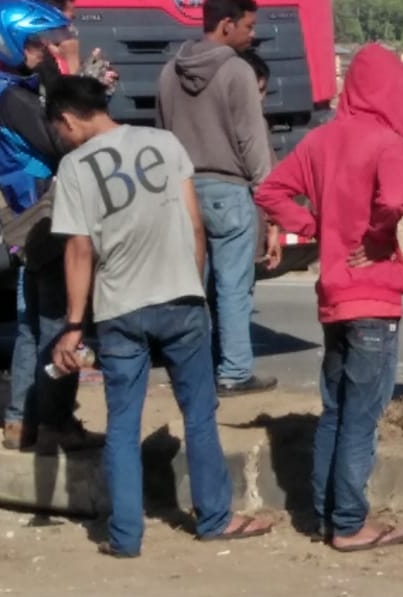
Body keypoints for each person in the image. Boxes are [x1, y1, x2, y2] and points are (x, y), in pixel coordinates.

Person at [46, 76, 274, 557]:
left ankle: (126, 536)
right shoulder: (165, 143)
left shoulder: (74, 168)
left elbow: (80, 250)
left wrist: (73, 325)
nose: (61, 138)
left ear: (67, 119)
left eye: (58, 130)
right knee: (199, 416)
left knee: (122, 425)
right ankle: (214, 518)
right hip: (181, 300)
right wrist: (193, 286)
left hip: (120, 309)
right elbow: (195, 225)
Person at [254, 43, 403, 552]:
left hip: (333, 296)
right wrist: (377, 237)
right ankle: (349, 524)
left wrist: (313, 225)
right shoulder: (387, 142)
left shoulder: (320, 141)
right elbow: (396, 199)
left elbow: (268, 191)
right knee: (362, 416)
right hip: (374, 297)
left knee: (335, 409)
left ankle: (326, 516)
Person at [0, 0, 102, 455]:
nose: (47, 50)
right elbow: (63, 141)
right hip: (43, 218)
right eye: (39, 44)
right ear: (12, 43)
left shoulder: (4, 88)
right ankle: (55, 424)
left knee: (32, 327)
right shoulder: (13, 99)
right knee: (59, 325)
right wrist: (83, 88)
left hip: (28, 217)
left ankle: (21, 420)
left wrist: (64, 78)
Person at [157, 0, 277, 396]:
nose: (252, 35)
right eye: (248, 26)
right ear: (226, 24)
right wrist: (270, 202)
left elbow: (162, 134)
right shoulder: (238, 71)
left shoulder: (169, 71)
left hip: (181, 190)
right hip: (229, 189)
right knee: (233, 286)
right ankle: (235, 371)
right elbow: (252, 141)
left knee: (192, 287)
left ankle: (196, 369)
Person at [240, 48, 282, 273]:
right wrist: (273, 226)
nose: (261, 98)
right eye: (258, 90)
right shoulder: (256, 124)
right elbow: (269, 180)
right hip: (247, 227)